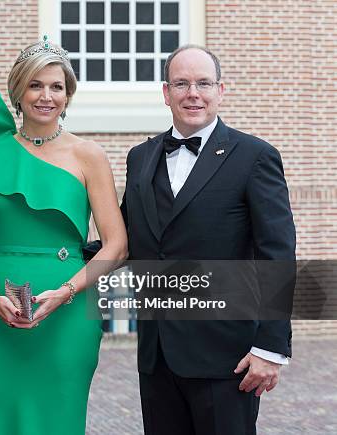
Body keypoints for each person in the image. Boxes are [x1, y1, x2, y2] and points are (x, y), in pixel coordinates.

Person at [0, 38, 128, 434]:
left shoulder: (89, 156)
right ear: (18, 90)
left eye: (56, 87)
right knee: (4, 422)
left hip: (70, 308)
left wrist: (66, 292)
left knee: (60, 420)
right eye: (35, 85)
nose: (46, 96)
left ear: (68, 95)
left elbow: (116, 245)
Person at [120, 45, 296, 435]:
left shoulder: (255, 157)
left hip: (228, 357)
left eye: (203, 83)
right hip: (157, 355)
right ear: (166, 93)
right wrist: (55, 258)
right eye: (181, 83)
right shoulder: (140, 157)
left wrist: (270, 348)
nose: (192, 93)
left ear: (221, 90)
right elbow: (126, 241)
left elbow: (278, 255)